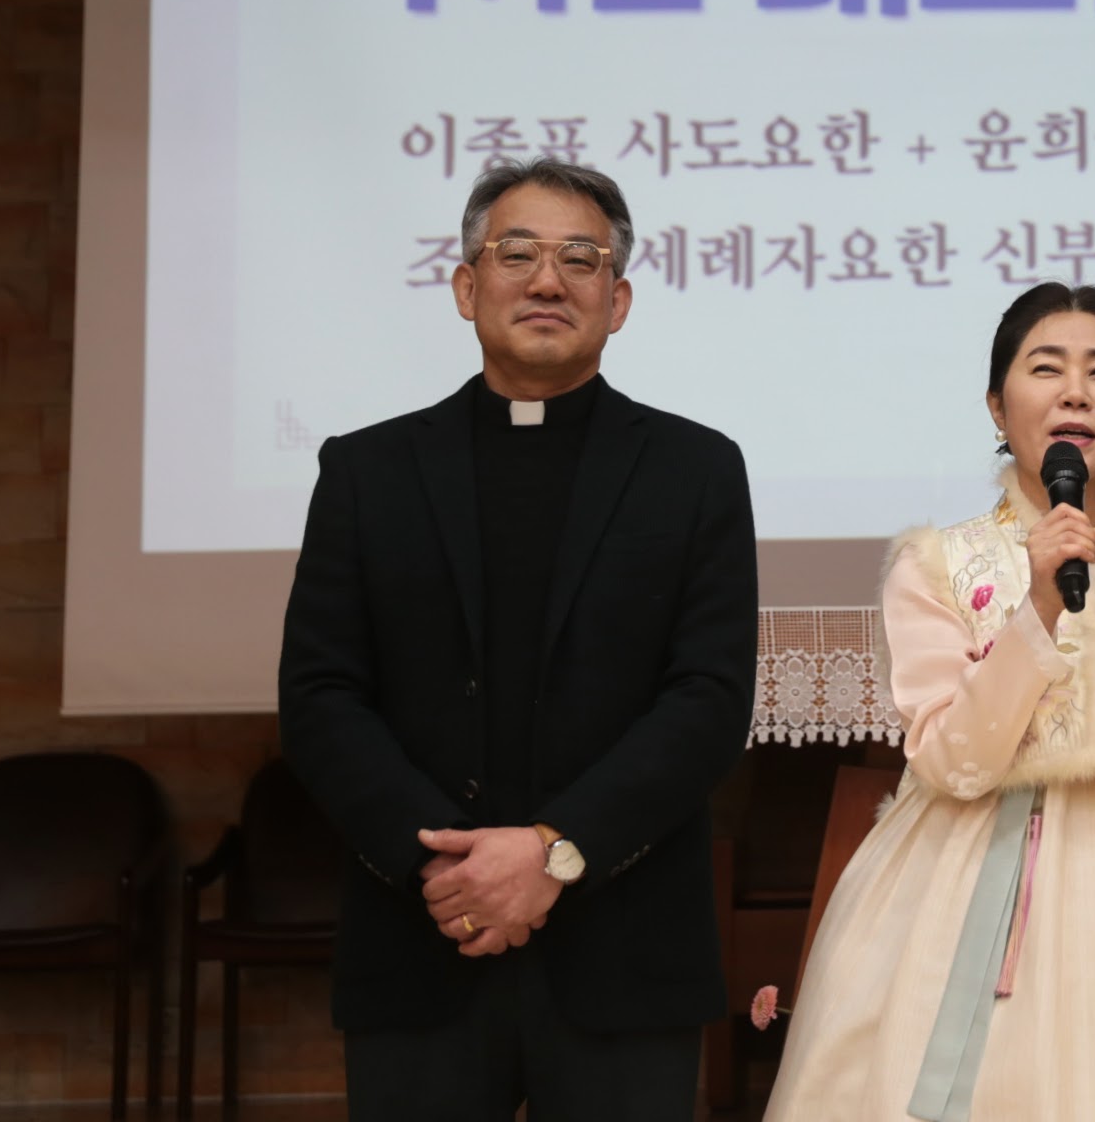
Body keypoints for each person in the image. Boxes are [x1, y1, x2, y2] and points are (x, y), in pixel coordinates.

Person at [278, 157, 758, 1121]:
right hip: (422, 941)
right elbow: (321, 696)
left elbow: (707, 701)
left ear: (618, 301)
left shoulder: (696, 470)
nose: (548, 280)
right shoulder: (368, 472)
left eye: (581, 259)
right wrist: (447, 870)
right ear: (467, 287)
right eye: (518, 254)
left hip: (625, 954)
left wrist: (555, 853)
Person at [761, 283, 1095, 1122]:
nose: (1075, 392)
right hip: (963, 888)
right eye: (1046, 368)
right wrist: (1038, 606)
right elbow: (950, 759)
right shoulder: (938, 563)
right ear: (997, 408)